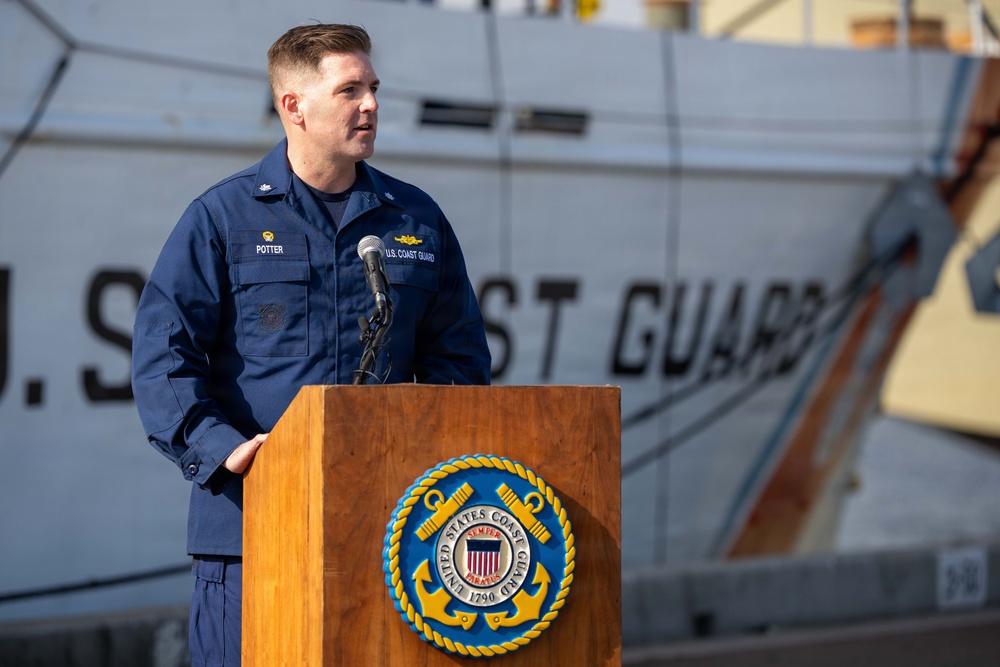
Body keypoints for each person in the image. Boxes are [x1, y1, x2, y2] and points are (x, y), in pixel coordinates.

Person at [131, 23, 491, 667]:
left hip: (387, 529)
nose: (371, 105)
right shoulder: (222, 218)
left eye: (373, 88)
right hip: (251, 529)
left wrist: (425, 452)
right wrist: (228, 450)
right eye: (350, 89)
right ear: (293, 106)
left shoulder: (415, 220)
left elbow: (459, 360)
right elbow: (163, 356)